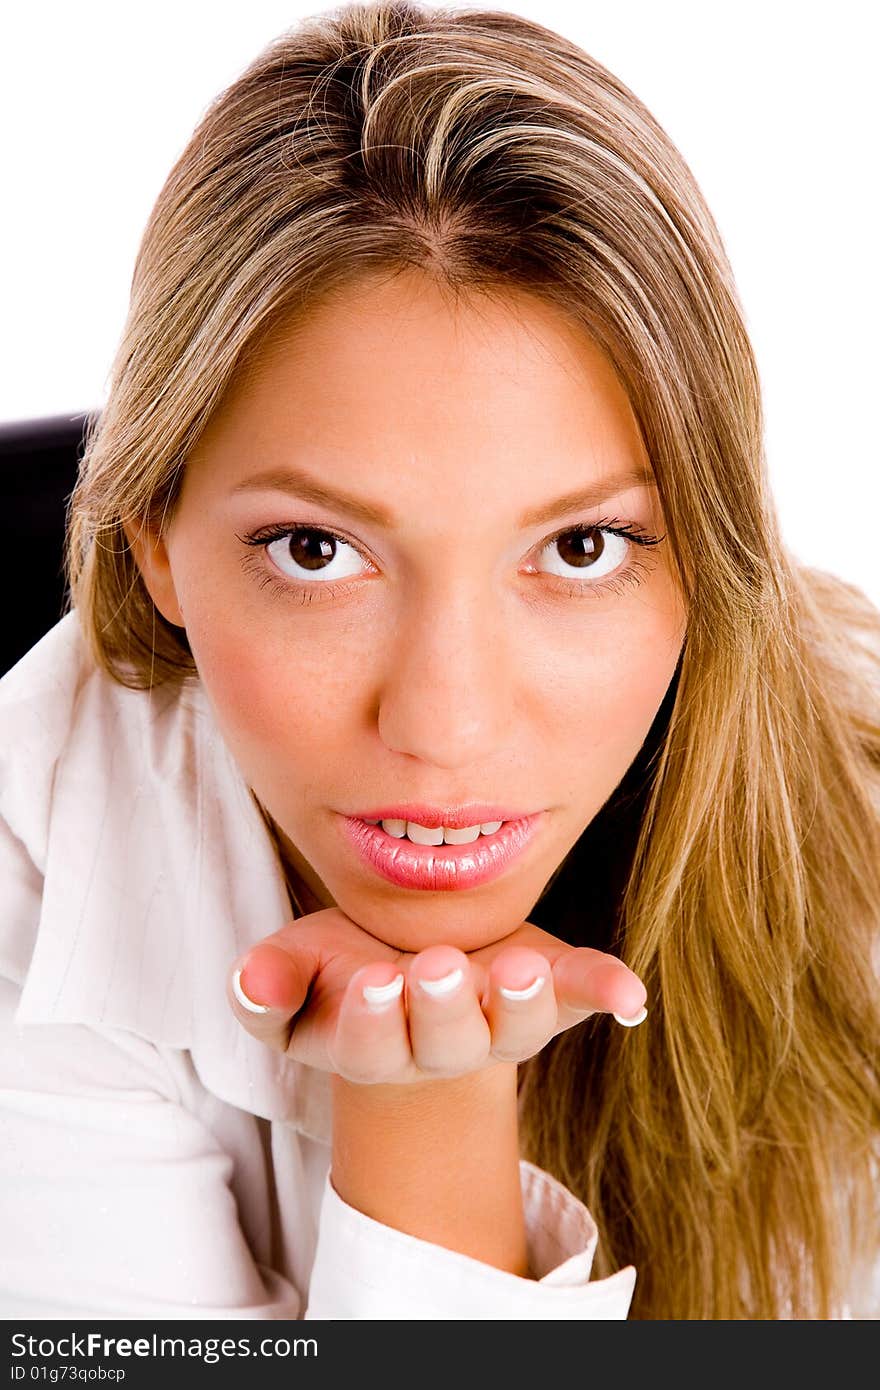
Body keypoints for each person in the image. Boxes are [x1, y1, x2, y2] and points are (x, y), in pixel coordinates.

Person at [1, 0, 878, 1322]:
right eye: (314, 548)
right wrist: (426, 1106)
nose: (447, 724)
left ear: (706, 548)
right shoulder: (25, 888)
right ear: (155, 538)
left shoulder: (859, 822)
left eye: (581, 546)